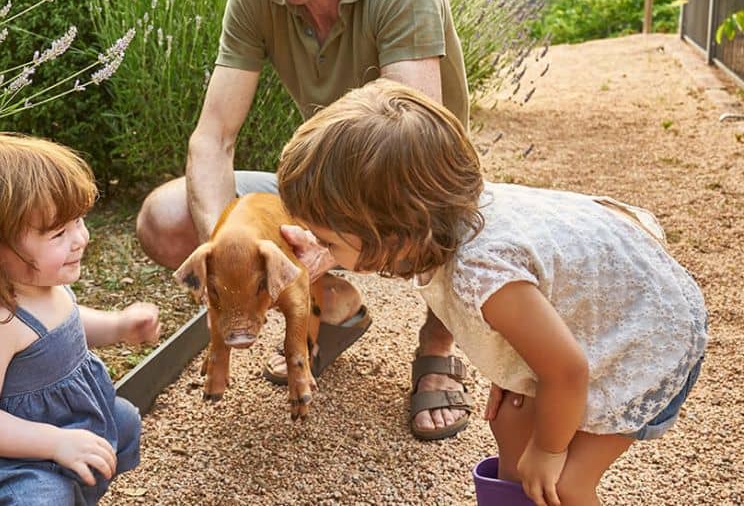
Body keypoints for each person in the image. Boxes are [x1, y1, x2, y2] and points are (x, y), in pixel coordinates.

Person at [135, 0, 474, 440]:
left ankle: (438, 344)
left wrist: (321, 242)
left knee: (459, 227)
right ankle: (336, 306)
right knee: (165, 217)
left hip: (409, 188)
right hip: (326, 191)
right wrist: (228, 250)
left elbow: (411, 146)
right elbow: (212, 140)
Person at [276, 79, 708, 506]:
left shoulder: (480, 272)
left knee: (563, 485)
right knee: (512, 428)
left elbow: (568, 371)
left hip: (650, 335)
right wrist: (517, 368)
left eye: (328, 240)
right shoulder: (445, 223)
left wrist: (549, 450)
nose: (319, 247)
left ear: (395, 233)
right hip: (606, 307)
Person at [0, 128, 161, 505]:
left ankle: (76, 493)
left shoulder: (47, 287)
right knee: (40, 496)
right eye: (59, 232)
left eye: (78, 221)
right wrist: (55, 442)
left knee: (121, 420)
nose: (81, 238)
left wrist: (118, 326)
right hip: (6, 458)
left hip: (62, 424)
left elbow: (66, 325)